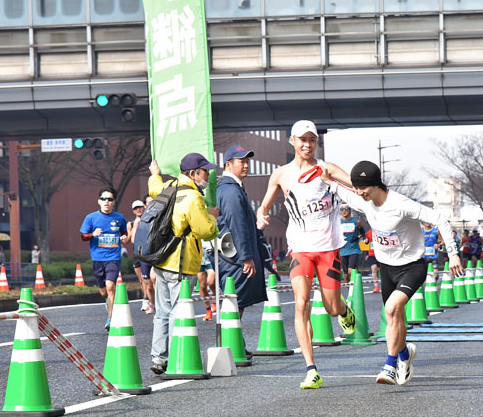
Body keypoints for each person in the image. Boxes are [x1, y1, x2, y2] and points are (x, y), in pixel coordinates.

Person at [320, 161, 462, 385]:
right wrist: (327, 179)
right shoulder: (363, 200)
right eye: (357, 188)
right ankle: (405, 354)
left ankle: (390, 365)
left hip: (412, 266)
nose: (359, 192)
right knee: (394, 316)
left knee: (391, 308)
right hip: (387, 268)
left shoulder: (401, 204)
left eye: (363, 188)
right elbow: (340, 187)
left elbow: (440, 220)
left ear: (376, 184)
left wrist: (453, 254)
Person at [256, 120, 356, 390]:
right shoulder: (281, 174)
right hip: (300, 248)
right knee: (301, 304)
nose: (307, 145)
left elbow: (356, 186)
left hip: (328, 248)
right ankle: (311, 369)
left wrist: (361, 186)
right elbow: (264, 205)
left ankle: (343, 309)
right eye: (302, 140)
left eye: (312, 140)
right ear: (292, 141)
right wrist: (261, 215)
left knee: (331, 308)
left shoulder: (327, 169)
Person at [147, 154, 219, 375]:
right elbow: (204, 231)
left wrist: (154, 174)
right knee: (179, 311)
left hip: (161, 259)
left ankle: (159, 357)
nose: (208, 175)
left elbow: (154, 188)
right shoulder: (193, 197)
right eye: (205, 171)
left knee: (162, 312)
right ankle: (176, 356)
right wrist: (212, 217)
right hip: (181, 261)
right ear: (193, 174)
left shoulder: (169, 187)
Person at [217, 145, 268, 341]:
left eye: (247, 161)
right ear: (228, 164)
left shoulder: (230, 187)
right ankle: (230, 344)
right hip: (235, 258)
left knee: (236, 300)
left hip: (232, 255)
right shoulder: (231, 190)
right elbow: (236, 224)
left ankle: (233, 343)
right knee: (234, 300)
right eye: (241, 162)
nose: (246, 165)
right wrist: (246, 257)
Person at [79, 186, 129, 331]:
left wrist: (124, 237)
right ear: (99, 201)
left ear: (114, 202)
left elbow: (124, 232)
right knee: (103, 291)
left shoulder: (119, 218)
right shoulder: (91, 218)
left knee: (110, 286)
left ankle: (110, 319)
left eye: (110, 199)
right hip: (98, 258)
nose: (107, 201)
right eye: (104, 199)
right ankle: (108, 302)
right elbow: (83, 236)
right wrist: (92, 234)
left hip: (114, 257)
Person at [130, 196, 156, 315]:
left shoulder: (155, 218)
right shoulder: (135, 222)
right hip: (143, 255)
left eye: (140, 207)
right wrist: (136, 226)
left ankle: (159, 307)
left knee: (156, 280)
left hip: (155, 255)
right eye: (136, 208)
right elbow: (133, 240)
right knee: (148, 284)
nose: (138, 210)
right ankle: (152, 305)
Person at [340, 206, 365, 282]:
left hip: (354, 249)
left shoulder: (356, 221)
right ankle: (349, 288)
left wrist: (358, 237)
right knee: (346, 274)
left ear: (349, 210)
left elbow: (362, 233)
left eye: (346, 209)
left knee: (350, 271)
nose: (344, 211)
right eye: (342, 209)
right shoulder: (338, 223)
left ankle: (352, 287)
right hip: (342, 250)